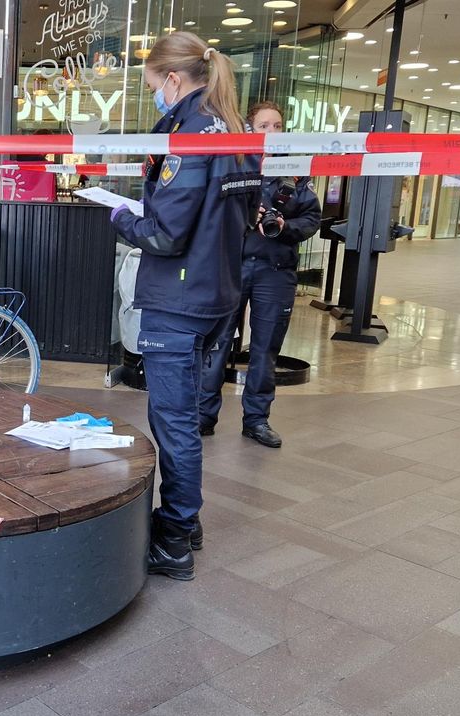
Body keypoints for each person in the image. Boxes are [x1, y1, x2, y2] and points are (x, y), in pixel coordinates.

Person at [109, 32, 262, 581]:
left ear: (172, 79)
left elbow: (166, 233)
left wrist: (123, 218)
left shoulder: (191, 136)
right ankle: (186, 522)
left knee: (172, 418)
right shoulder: (233, 130)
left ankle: (174, 537)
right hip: (217, 291)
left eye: (152, 85)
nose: (154, 96)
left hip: (180, 296)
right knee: (186, 413)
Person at [198, 102, 322, 451]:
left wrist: (284, 227)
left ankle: (256, 420)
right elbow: (212, 212)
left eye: (278, 125)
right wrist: (244, 215)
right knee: (217, 343)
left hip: (276, 270)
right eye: (264, 125)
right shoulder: (234, 163)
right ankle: (203, 416)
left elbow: (311, 219)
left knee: (266, 348)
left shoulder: (296, 170)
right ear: (249, 129)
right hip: (232, 266)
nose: (272, 132)